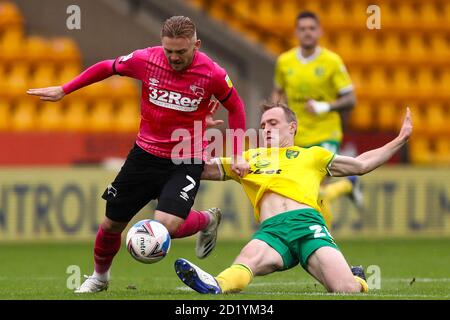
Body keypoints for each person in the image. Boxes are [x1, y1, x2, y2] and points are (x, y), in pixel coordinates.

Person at [27, 16, 248, 293]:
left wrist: (238, 154)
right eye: (169, 50)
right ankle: (99, 278)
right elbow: (107, 67)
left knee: (167, 225)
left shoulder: (212, 73)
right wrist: (65, 89)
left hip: (185, 157)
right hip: (144, 154)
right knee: (111, 224)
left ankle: (206, 219)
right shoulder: (146, 60)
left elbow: (236, 106)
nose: (174, 57)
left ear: (197, 45)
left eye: (181, 51)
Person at [174, 103, 412, 294]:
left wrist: (399, 140)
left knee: (344, 289)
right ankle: (216, 285)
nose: (266, 128)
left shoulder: (312, 156)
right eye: (263, 124)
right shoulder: (247, 157)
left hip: (308, 226)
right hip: (272, 231)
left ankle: (357, 279)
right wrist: (198, 130)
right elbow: (201, 168)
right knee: (249, 258)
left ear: (292, 127)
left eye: (273, 123)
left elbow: (361, 164)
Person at [271, 11, 361, 227]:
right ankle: (348, 185)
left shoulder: (331, 61)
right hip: (296, 135)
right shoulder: (285, 61)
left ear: (319, 31)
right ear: (296, 33)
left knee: (317, 189)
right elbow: (278, 91)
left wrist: (325, 106)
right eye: (302, 29)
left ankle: (323, 243)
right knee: (304, 192)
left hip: (325, 133)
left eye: (311, 28)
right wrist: (275, 114)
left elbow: (351, 99)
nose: (307, 33)